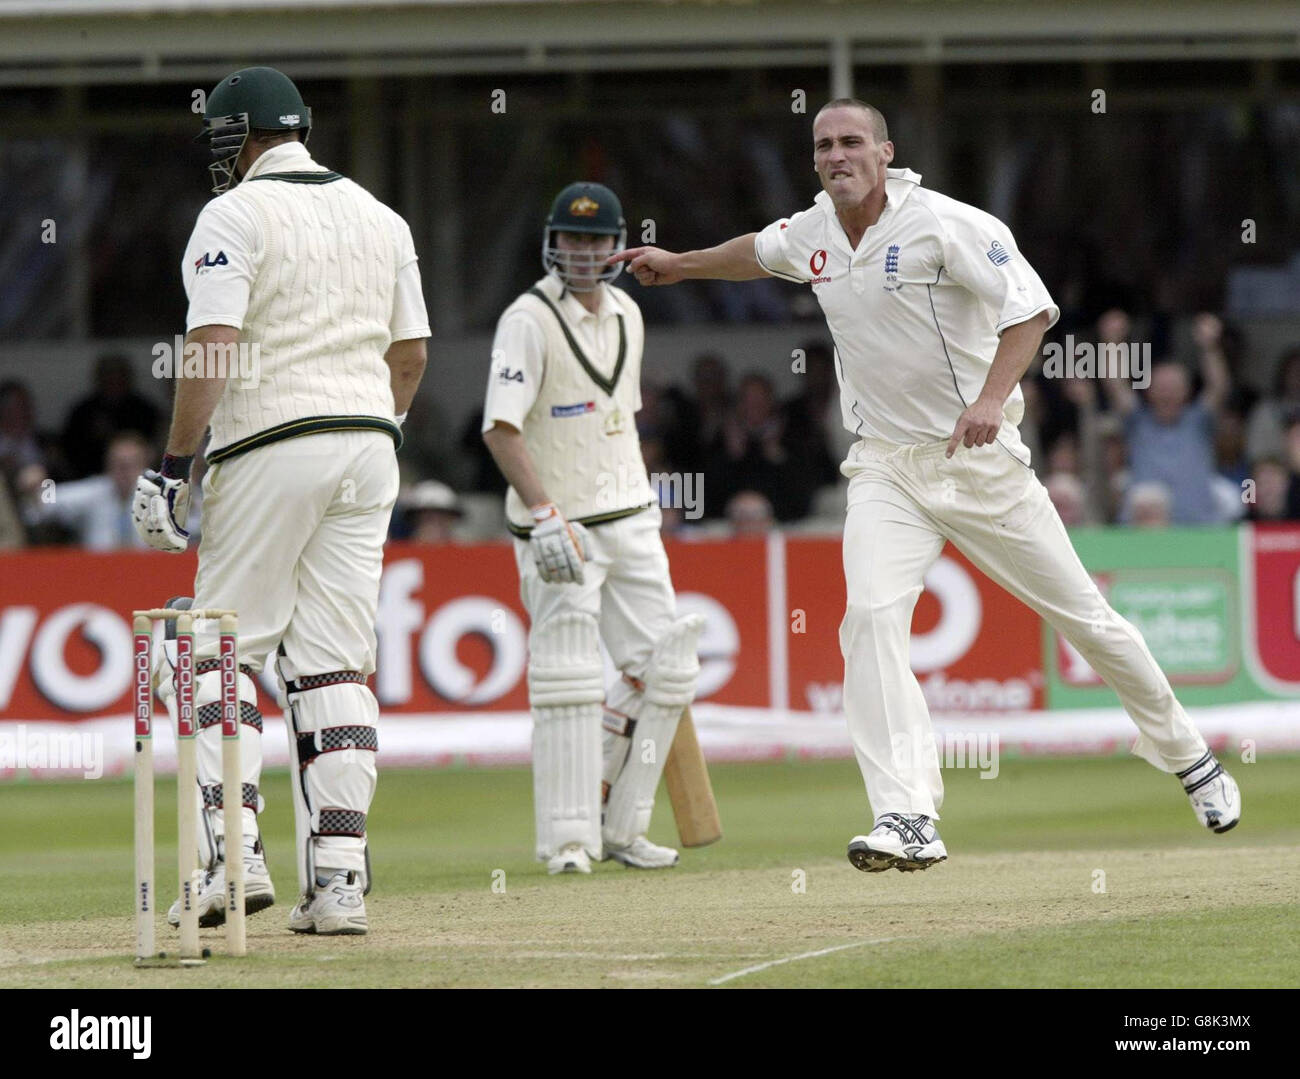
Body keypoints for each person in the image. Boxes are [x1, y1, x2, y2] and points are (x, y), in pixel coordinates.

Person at [611, 97, 1241, 872]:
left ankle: (1189, 754)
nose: (836, 156)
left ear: (885, 153)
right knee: (870, 619)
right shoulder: (812, 229)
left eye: (851, 143)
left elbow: (1031, 312)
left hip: (976, 462)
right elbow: (757, 251)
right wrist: (680, 265)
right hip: (884, 465)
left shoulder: (945, 223)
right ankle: (907, 814)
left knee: (1087, 620)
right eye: (824, 146)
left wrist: (987, 400)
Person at [131, 66, 430, 934]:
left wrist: (172, 465)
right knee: (336, 664)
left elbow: (214, 345)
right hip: (372, 445)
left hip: (269, 441)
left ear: (240, 137)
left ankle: (236, 856)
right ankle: (338, 883)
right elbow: (409, 353)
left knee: (214, 649)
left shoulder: (232, 214)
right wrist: (374, 425)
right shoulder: (383, 216)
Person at [481, 182, 703, 875]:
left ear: (616, 246)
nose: (582, 252)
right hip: (561, 528)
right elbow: (500, 428)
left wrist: (644, 501)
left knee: (664, 670)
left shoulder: (630, 316)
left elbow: (616, 420)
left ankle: (621, 824)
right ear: (553, 244)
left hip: (630, 517)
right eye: (571, 240)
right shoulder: (526, 318)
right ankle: (567, 839)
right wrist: (543, 512)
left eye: (595, 240)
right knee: (567, 680)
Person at [23, 431, 152, 550]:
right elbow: (48, 502)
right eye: (119, 464)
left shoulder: (159, 497)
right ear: (108, 464)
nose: (125, 471)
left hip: (148, 570)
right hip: (96, 569)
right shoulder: (94, 491)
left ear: (144, 465)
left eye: (132, 464)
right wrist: (39, 484)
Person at [62, 354, 161, 479]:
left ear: (128, 378)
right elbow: (70, 450)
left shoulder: (146, 410)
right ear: (99, 379)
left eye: (119, 376)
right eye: (109, 376)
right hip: (89, 476)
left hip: (140, 478)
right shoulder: (83, 411)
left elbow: (155, 447)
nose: (114, 381)